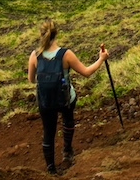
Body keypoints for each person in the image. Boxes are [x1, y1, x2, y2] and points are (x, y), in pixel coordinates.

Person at [27, 19, 109, 174]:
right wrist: (101, 59)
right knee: (68, 119)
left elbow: (31, 79)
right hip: (65, 99)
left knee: (48, 132)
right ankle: (67, 152)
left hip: (45, 101)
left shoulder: (34, 55)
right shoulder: (66, 54)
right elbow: (86, 72)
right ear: (56, 34)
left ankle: (50, 168)